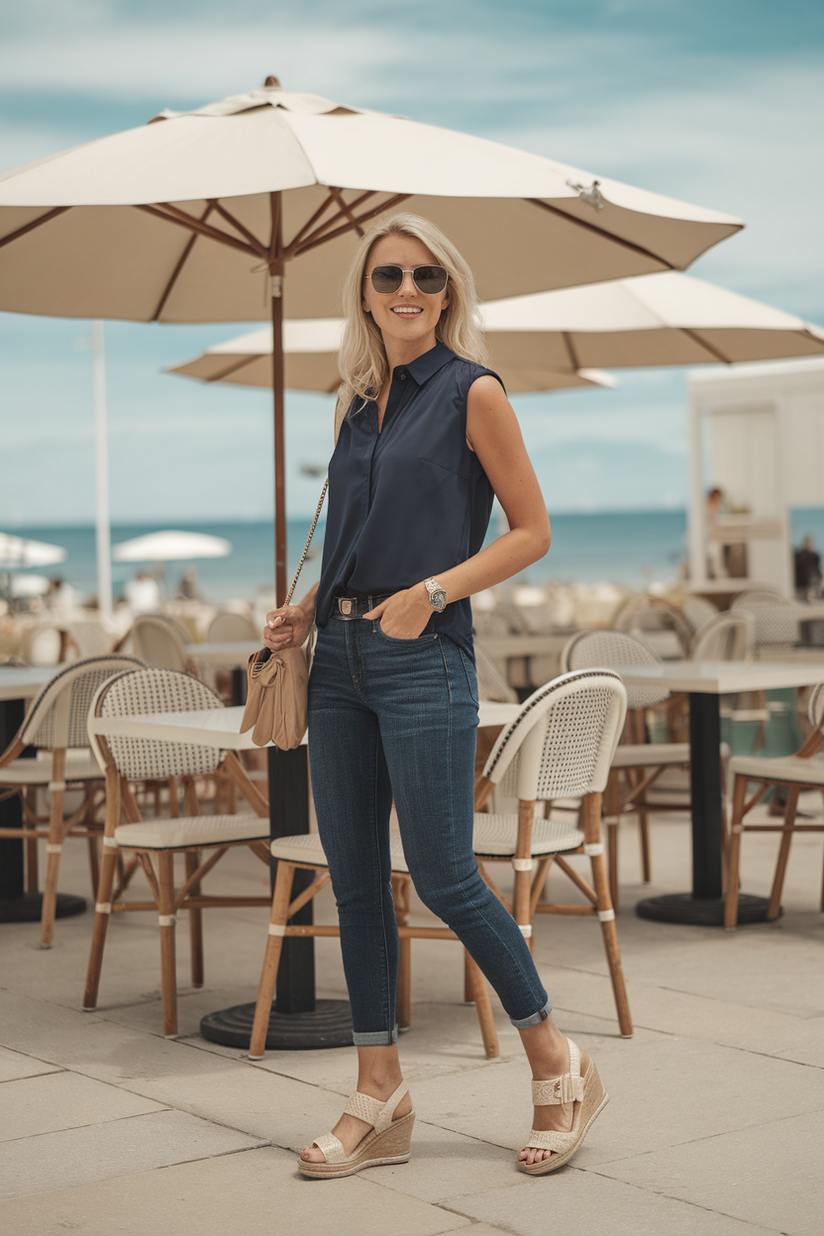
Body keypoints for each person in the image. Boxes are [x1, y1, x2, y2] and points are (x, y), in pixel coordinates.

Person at [263, 213, 606, 1179]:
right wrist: (302, 610)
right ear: (365, 294)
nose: (405, 289)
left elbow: (532, 531)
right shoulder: (355, 402)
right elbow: (351, 544)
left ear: (447, 291)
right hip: (338, 662)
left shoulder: (474, 391)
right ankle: (381, 1095)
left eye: (424, 276)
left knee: (448, 876)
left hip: (427, 660)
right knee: (356, 879)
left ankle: (556, 1060)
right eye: (386, 276)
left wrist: (434, 593)